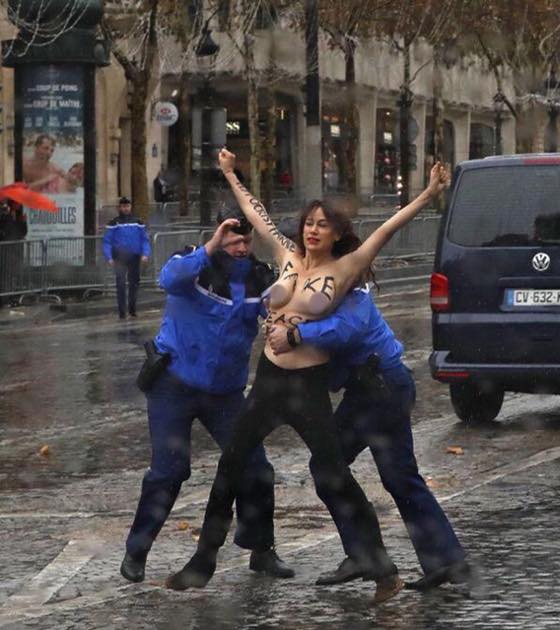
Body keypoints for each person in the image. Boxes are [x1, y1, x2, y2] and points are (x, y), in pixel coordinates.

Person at [164, 148, 449, 603]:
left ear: (337, 234)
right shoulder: (286, 255)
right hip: (268, 381)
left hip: (308, 386)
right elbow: (254, 212)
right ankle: (203, 561)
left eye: (323, 225)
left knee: (334, 474)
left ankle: (381, 568)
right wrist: (230, 173)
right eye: (309, 223)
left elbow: (388, 227)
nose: (313, 230)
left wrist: (429, 194)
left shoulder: (347, 268)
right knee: (229, 465)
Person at [266, 284, 475, 591]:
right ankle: (446, 559)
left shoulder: (347, 282)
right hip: (383, 386)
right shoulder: (315, 285)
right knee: (400, 477)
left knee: (327, 466)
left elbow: (346, 328)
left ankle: (363, 554)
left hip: (377, 389)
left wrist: (296, 335)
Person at [121, 210, 289, 583]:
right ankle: (137, 551)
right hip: (174, 385)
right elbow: (168, 278)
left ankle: (262, 550)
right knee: (169, 471)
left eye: (246, 240)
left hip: (225, 394)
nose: (241, 246)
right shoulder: (192, 263)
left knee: (256, 468)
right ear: (217, 234)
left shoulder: (259, 277)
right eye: (233, 238)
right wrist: (212, 245)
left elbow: (283, 305)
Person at [103, 197, 151, 319]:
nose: (125, 209)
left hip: (134, 256)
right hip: (119, 257)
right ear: (119, 208)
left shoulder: (138, 222)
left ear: (130, 207)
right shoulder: (114, 223)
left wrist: (145, 253)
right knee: (120, 283)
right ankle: (122, 312)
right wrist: (109, 257)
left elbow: (144, 240)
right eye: (123, 206)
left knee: (134, 283)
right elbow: (107, 241)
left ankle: (132, 308)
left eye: (127, 206)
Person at [0, 202, 28, 307]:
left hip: (15, 251)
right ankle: (4, 299)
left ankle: (10, 297)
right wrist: (7, 216)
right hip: (6, 251)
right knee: (6, 276)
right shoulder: (5, 217)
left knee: (13, 275)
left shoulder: (17, 217)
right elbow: (4, 231)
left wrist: (24, 222)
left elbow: (23, 232)